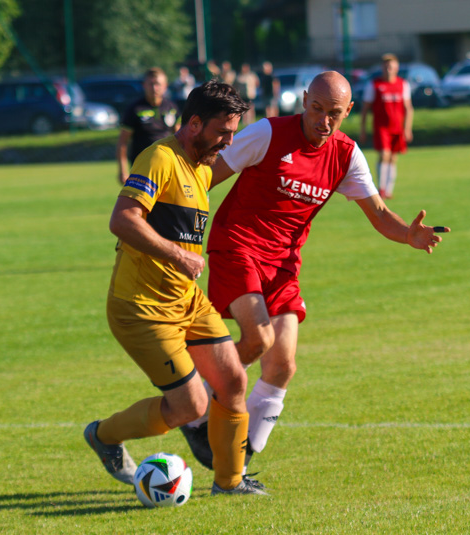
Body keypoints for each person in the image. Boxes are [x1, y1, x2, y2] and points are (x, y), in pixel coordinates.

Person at [180, 71, 449, 478]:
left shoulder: (346, 154)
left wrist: (407, 236)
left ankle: (243, 450)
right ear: (304, 100)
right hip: (238, 245)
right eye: (316, 109)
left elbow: (378, 213)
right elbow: (205, 178)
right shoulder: (268, 134)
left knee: (282, 365)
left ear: (348, 113)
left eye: (334, 114)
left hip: (284, 263)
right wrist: (179, 233)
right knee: (258, 338)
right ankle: (196, 410)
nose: (323, 121)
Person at [84, 80, 266, 497]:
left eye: (234, 131)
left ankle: (229, 482)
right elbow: (123, 220)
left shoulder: (202, 165)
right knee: (190, 407)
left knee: (233, 381)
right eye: (223, 131)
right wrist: (178, 255)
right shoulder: (160, 158)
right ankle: (105, 436)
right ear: (195, 123)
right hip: (141, 307)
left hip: (186, 300)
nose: (230, 140)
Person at [359, 53, 413, 199]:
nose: (389, 68)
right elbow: (365, 109)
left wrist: (407, 128)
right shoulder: (375, 85)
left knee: (393, 158)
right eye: (386, 66)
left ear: (397, 67)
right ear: (382, 67)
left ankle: (388, 190)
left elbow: (408, 108)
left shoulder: (403, 84)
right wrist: (362, 129)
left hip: (397, 127)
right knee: (384, 155)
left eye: (392, 65)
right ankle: (381, 189)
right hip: (382, 127)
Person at [116, 67, 179, 184]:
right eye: (151, 84)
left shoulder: (171, 108)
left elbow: (180, 139)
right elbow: (122, 142)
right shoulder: (135, 109)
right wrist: (122, 171)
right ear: (144, 85)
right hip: (142, 168)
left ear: (165, 86)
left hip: (167, 166)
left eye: (158, 84)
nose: (155, 88)